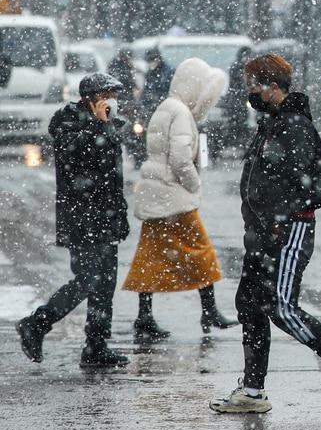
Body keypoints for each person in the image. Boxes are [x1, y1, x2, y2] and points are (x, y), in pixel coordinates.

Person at [210, 54, 321, 414]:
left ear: (273, 86)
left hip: (287, 231)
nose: (250, 91)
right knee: (249, 305)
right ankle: (252, 392)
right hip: (261, 234)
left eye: (255, 83)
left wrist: (282, 217)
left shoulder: (295, 126)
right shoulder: (269, 124)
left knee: (281, 306)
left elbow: (317, 188)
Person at [15, 73, 131, 369]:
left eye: (115, 95)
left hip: (106, 217)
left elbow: (112, 178)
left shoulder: (109, 125)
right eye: (108, 95)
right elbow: (76, 156)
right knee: (88, 280)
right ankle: (37, 323)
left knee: (105, 284)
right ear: (91, 98)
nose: (113, 101)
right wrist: (96, 123)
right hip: (81, 218)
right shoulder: (68, 122)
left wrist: (120, 215)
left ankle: (96, 346)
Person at [123, 58, 239, 341]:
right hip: (173, 197)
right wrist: (193, 184)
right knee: (202, 252)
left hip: (155, 194)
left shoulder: (166, 107)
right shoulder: (181, 112)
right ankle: (209, 310)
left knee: (149, 256)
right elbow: (179, 156)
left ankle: (145, 315)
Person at [133, 48, 174, 166]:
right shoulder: (150, 74)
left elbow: (168, 91)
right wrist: (140, 104)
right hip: (150, 110)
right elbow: (145, 91)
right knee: (138, 130)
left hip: (164, 109)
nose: (150, 64)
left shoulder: (168, 73)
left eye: (152, 61)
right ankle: (140, 157)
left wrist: (159, 98)